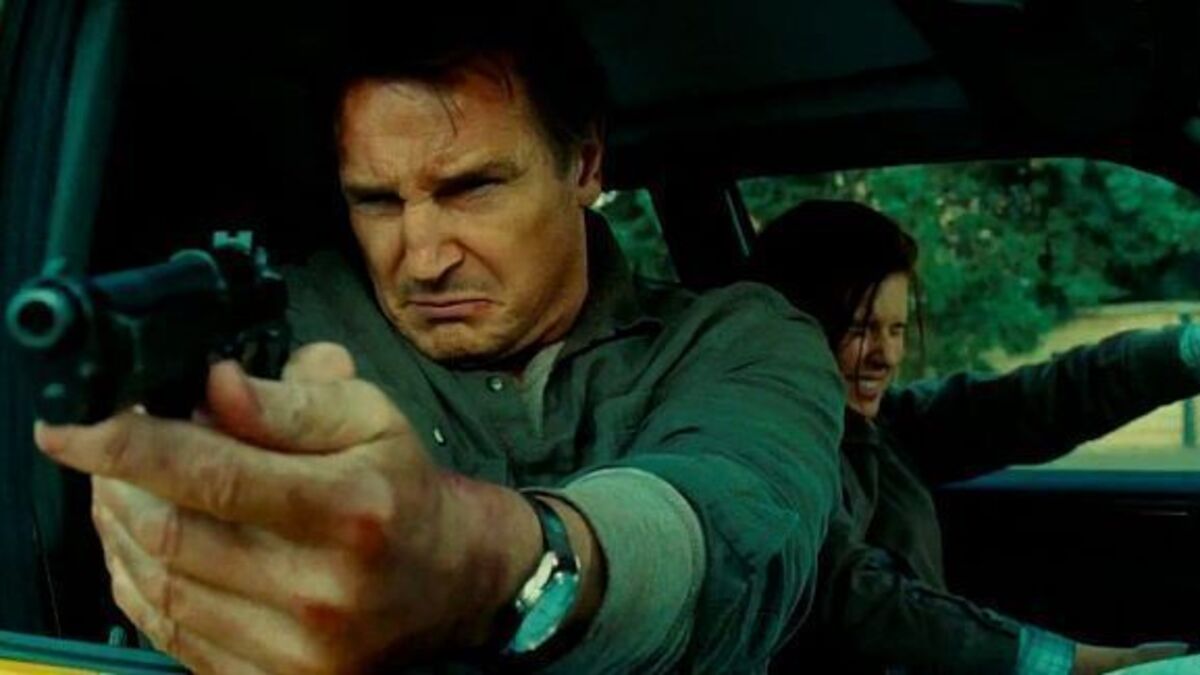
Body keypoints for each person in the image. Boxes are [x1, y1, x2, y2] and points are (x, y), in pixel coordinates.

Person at [29, 4, 845, 673]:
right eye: (377, 201)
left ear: (586, 164)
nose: (422, 258)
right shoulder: (274, 327)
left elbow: (720, 531)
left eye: (473, 187)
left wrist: (494, 562)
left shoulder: (739, 340)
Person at [748, 199, 1200, 675]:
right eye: (861, 329)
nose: (887, 355)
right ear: (792, 330)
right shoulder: (762, 462)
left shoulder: (882, 428)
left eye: (897, 329)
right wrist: (1098, 664)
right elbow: (866, 604)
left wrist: (1186, 352)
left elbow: (1037, 400)